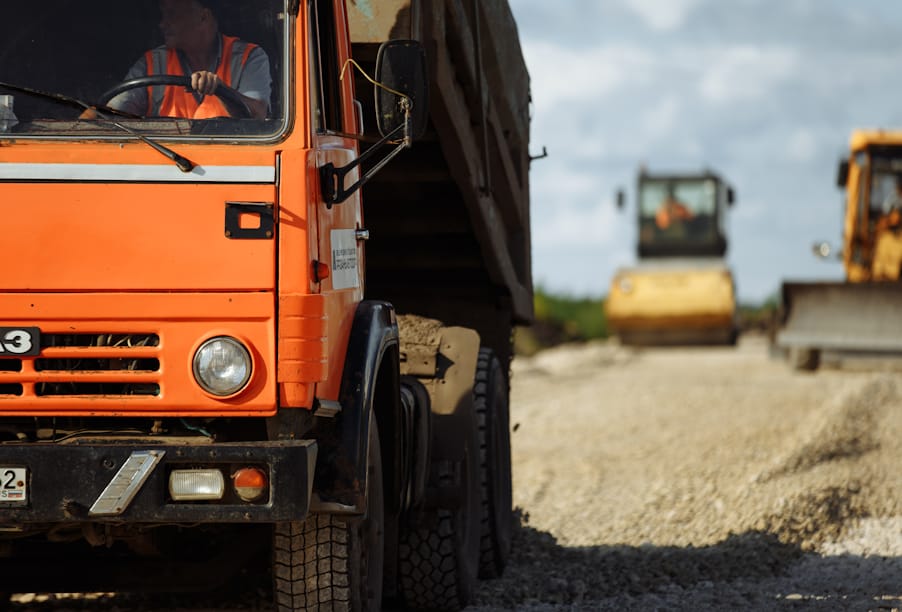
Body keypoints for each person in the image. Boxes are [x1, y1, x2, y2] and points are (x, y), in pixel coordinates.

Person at [108, 0, 271, 120]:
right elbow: (110, 114)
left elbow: (258, 115)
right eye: (163, 15)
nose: (162, 24)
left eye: (172, 14)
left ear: (203, 17)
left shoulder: (249, 57)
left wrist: (223, 91)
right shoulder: (152, 63)